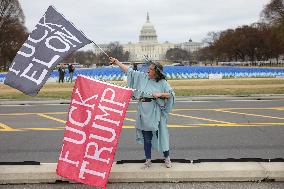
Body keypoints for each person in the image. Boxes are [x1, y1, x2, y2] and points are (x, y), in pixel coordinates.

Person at [110, 57, 175, 168]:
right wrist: (117, 62)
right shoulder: (143, 77)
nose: (147, 70)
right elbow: (129, 71)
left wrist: (159, 94)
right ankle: (148, 160)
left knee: (161, 134)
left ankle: (167, 158)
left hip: (155, 111)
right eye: (148, 68)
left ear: (156, 72)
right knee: (146, 137)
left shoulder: (162, 82)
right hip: (143, 110)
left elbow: (171, 94)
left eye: (150, 69)